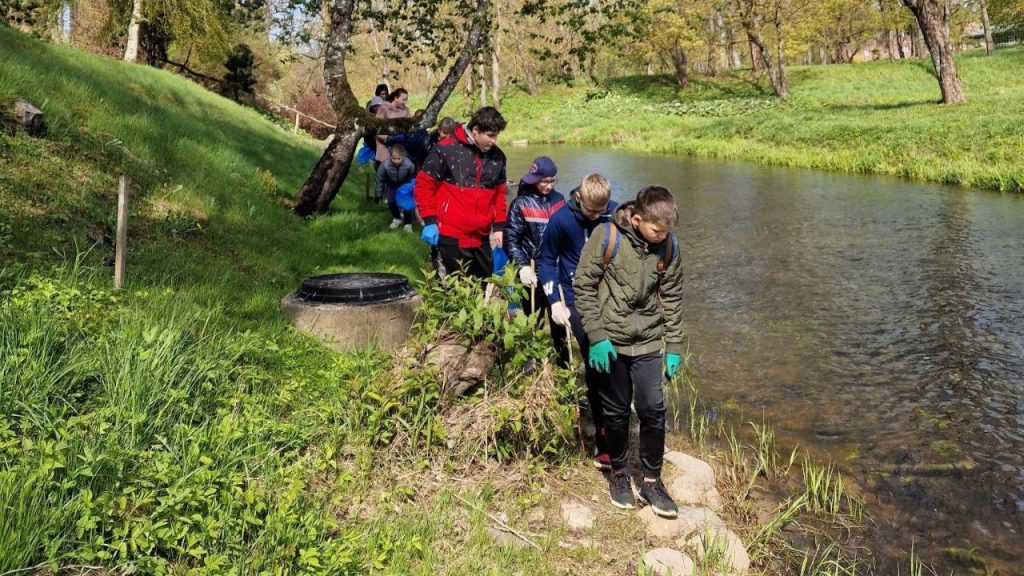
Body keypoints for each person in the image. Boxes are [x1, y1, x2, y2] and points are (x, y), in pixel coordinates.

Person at [573, 185, 683, 518]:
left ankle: (652, 480)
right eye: (656, 230)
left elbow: (673, 297)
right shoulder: (606, 237)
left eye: (666, 232)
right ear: (636, 219)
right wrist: (597, 335)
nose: (661, 237)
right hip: (611, 341)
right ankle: (619, 473)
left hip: (648, 340)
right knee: (617, 411)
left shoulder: (668, 246)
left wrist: (674, 344)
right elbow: (583, 286)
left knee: (653, 409)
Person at [536, 174, 617, 469]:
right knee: (597, 363)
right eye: (591, 212)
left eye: (601, 212)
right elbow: (545, 260)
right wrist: (553, 301)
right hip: (575, 299)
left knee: (617, 359)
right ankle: (603, 439)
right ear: (579, 198)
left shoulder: (613, 215)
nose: (596, 217)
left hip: (611, 298)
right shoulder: (561, 219)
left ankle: (618, 412)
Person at [414, 106, 508, 279]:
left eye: (496, 135)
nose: (494, 141)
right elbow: (423, 186)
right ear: (475, 130)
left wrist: (499, 226)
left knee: (482, 288)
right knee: (455, 290)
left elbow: (500, 195)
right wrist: (429, 221)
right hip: (450, 235)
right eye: (490, 135)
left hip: (481, 237)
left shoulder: (498, 158)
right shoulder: (445, 149)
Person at [506, 156, 564, 318]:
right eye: (544, 181)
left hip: (555, 270)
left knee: (558, 317)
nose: (549, 186)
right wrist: (523, 266)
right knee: (533, 318)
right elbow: (511, 240)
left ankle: (561, 344)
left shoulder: (559, 200)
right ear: (534, 180)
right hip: (531, 271)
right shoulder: (520, 204)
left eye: (552, 181)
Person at [376, 144, 417, 232]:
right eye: (394, 158)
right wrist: (379, 193)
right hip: (391, 184)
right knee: (391, 202)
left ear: (403, 156)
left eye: (399, 159)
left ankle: (407, 223)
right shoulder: (385, 165)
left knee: (407, 204)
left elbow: (413, 176)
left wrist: (411, 187)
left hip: (405, 184)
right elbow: (380, 179)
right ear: (390, 157)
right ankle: (397, 218)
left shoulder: (409, 165)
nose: (396, 161)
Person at [375, 88, 410, 165]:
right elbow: (376, 128)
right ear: (396, 98)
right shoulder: (384, 109)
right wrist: (388, 138)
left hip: (401, 147)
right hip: (385, 147)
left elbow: (409, 127)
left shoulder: (406, 110)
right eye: (403, 100)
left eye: (406, 100)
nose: (405, 102)